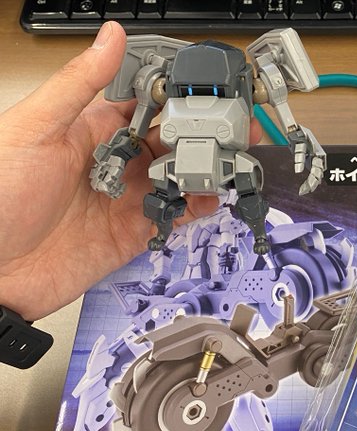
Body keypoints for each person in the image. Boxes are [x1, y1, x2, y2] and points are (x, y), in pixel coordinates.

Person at [0, 21, 262, 322]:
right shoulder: (160, 93)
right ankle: (162, 234)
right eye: (185, 92)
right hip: (179, 159)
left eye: (217, 93)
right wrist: (115, 161)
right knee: (161, 186)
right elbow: (134, 135)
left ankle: (259, 234)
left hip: (223, 160)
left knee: (246, 181)